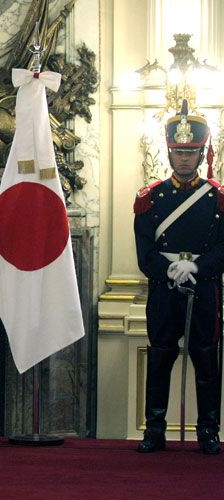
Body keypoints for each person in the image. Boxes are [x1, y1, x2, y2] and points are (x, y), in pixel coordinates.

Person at [134, 100, 224, 454]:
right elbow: (144, 251)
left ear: (201, 154)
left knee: (206, 359)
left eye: (190, 152)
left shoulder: (218, 199)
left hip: (204, 290)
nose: (184, 159)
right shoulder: (150, 198)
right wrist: (168, 270)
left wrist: (198, 267)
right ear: (169, 154)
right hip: (165, 289)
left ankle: (208, 431)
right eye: (178, 152)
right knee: (159, 358)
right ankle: (154, 430)